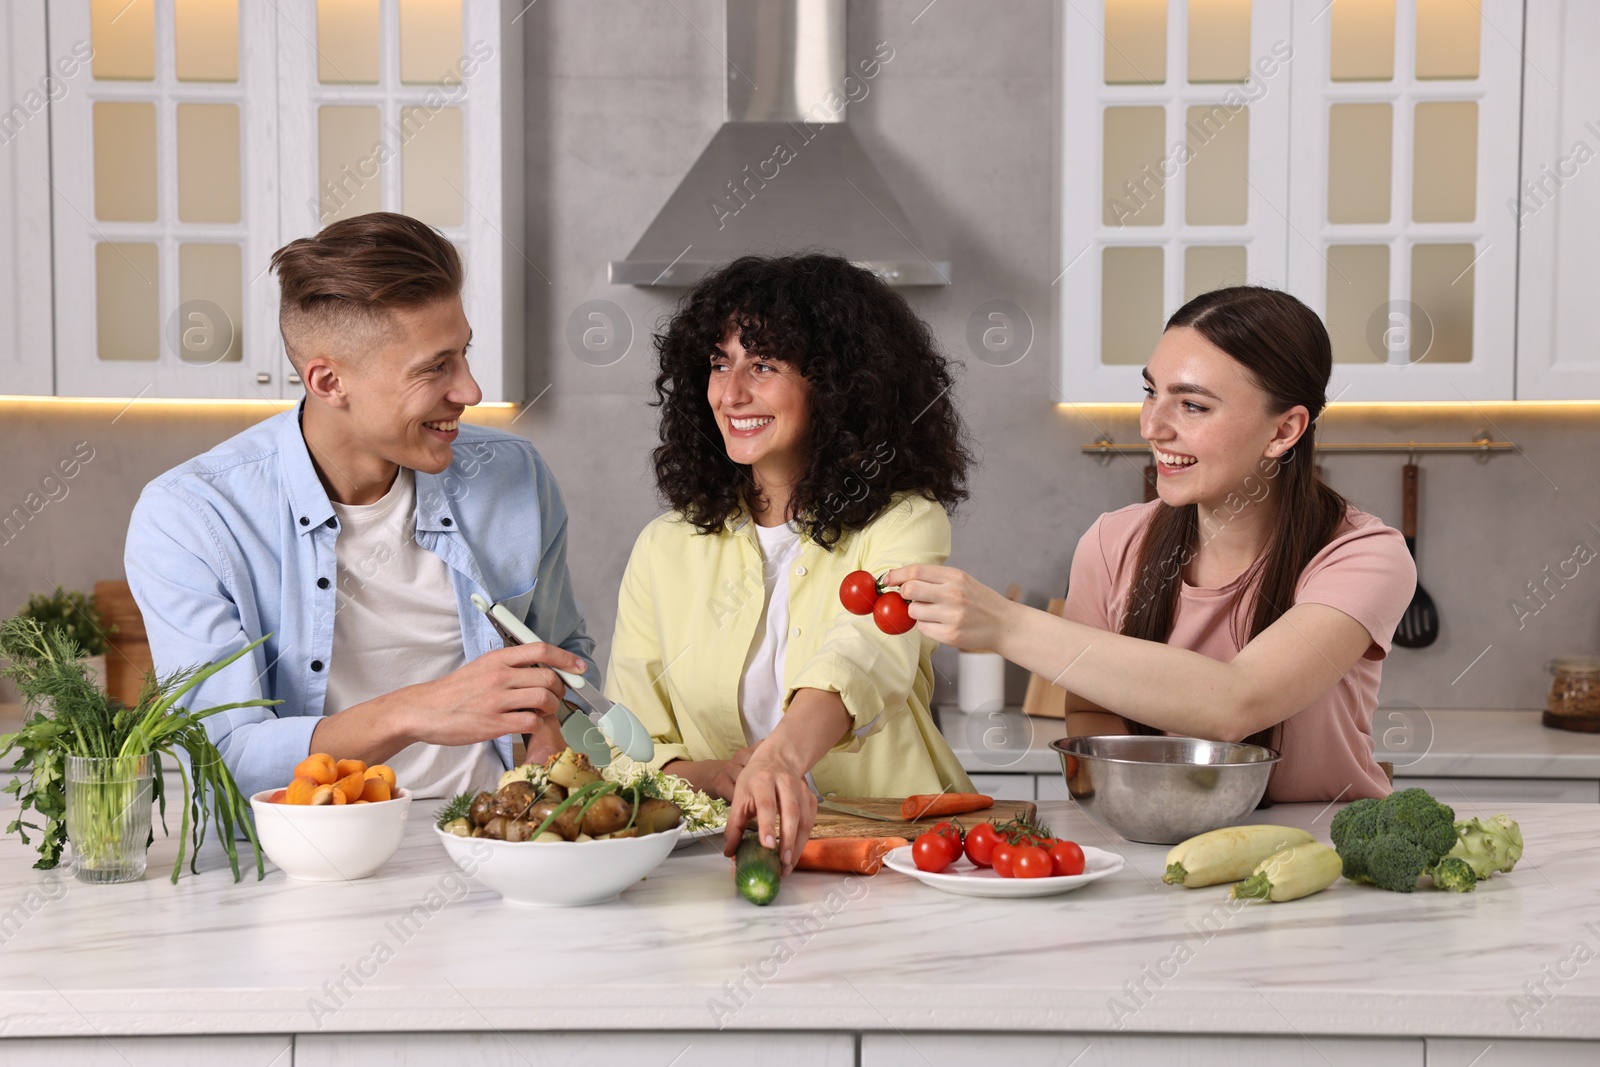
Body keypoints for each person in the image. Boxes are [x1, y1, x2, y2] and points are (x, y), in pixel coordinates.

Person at [126, 212, 594, 802]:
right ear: (327, 383)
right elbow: (223, 758)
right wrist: (413, 711)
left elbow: (567, 664)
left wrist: (555, 726)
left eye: (464, 354)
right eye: (434, 367)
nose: (471, 391)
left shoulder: (515, 476)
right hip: (308, 860)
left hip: (491, 840)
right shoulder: (191, 518)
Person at [887, 286, 1417, 803]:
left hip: (1324, 857)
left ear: (1284, 431)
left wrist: (1004, 624)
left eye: (1192, 405)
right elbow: (1093, 716)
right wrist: (1161, 813)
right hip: (1154, 840)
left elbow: (1239, 701)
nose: (1152, 425)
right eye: (1150, 391)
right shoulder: (1110, 543)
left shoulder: (1363, 556)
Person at [605, 253, 976, 872]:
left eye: (765, 365)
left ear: (837, 385)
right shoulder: (663, 547)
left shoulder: (902, 521)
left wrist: (780, 755)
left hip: (900, 858)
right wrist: (712, 776)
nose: (732, 392)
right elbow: (630, 741)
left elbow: (866, 653)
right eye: (720, 364)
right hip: (721, 860)